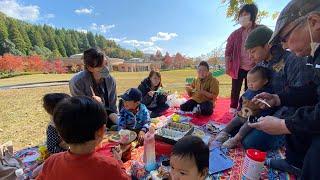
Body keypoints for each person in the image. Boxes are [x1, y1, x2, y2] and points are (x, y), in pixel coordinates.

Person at [249, 1, 320, 179]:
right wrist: (277, 98)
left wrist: (283, 125)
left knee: (315, 158)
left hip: (293, 115)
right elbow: (311, 92)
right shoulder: (313, 53)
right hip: (284, 110)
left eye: (286, 37)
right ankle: (294, 162)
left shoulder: (297, 59)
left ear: (313, 22)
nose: (285, 45)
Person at [240, 25, 315, 152]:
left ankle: (287, 144)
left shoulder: (293, 60)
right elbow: (253, 89)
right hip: (266, 109)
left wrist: (278, 123)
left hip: (287, 116)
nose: (250, 56)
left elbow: (299, 100)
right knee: (239, 128)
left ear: (268, 45)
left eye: (252, 51)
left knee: (249, 143)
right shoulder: (261, 64)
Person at [37, 96, 129, 180]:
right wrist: (119, 161)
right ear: (101, 131)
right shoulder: (110, 166)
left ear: (60, 134)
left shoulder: (51, 162)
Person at [213, 66, 274, 148]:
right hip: (241, 115)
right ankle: (224, 133)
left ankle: (235, 140)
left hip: (251, 120)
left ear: (265, 81)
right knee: (231, 123)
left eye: (254, 81)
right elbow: (241, 101)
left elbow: (268, 110)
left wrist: (261, 116)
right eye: (248, 81)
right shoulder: (248, 91)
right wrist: (238, 110)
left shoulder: (266, 94)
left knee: (244, 129)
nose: (250, 84)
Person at [69, 48, 118, 127]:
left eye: (106, 63)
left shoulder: (110, 80)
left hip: (108, 117)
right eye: (101, 66)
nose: (106, 68)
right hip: (88, 121)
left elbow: (113, 104)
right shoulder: (77, 82)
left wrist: (117, 121)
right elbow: (80, 108)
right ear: (90, 68)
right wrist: (94, 104)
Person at [225, 3, 259, 114]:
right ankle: (233, 107)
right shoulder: (235, 34)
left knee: (249, 89)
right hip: (238, 67)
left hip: (254, 67)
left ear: (253, 15)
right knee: (235, 89)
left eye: (246, 14)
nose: (243, 17)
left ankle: (246, 108)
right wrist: (227, 66)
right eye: (241, 14)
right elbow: (228, 51)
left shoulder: (260, 30)